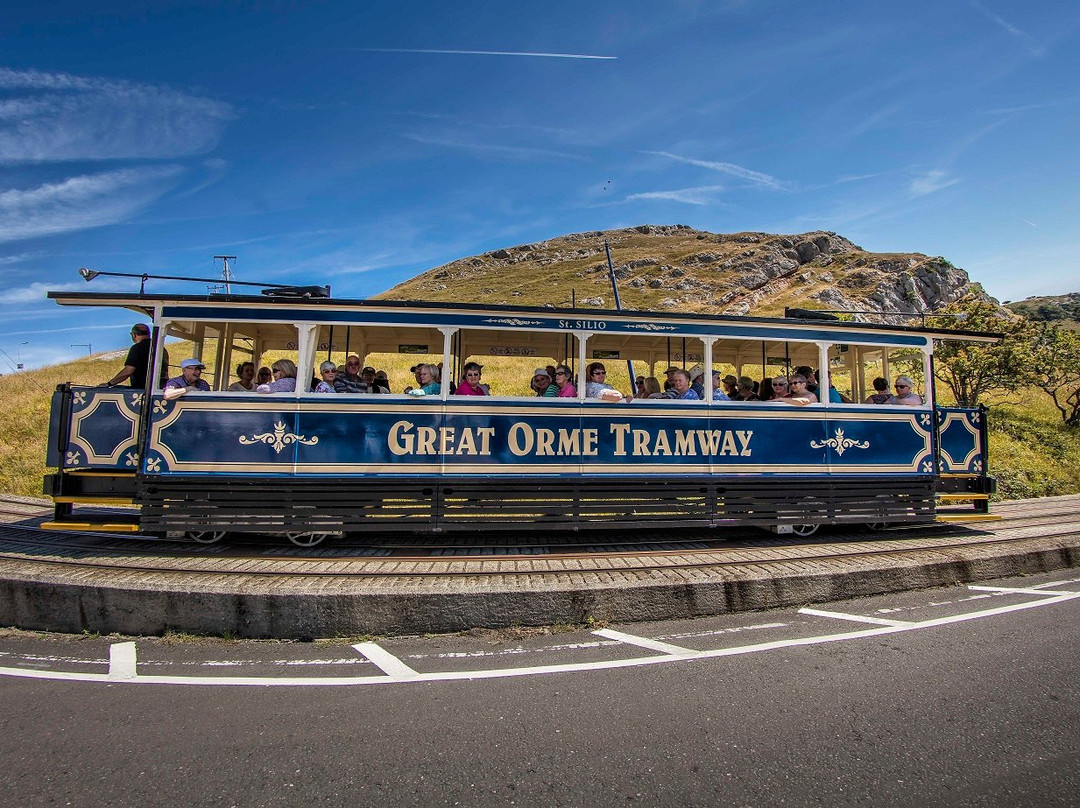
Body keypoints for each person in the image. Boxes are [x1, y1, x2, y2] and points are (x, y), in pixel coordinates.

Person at [105, 323, 168, 388]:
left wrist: (109, 383)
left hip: (142, 390)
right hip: (159, 388)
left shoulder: (137, 348)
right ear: (149, 334)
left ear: (134, 335)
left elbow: (128, 371)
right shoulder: (161, 348)